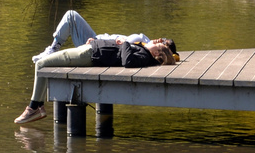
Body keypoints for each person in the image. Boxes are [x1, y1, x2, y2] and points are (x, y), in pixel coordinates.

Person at [15, 11, 176, 124]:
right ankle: (36, 106)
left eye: (161, 45)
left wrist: (125, 43)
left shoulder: (144, 55)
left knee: (41, 64)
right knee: (44, 62)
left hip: (90, 55)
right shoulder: (143, 49)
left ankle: (34, 107)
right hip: (91, 49)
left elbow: (127, 62)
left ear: (158, 55)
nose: (158, 41)